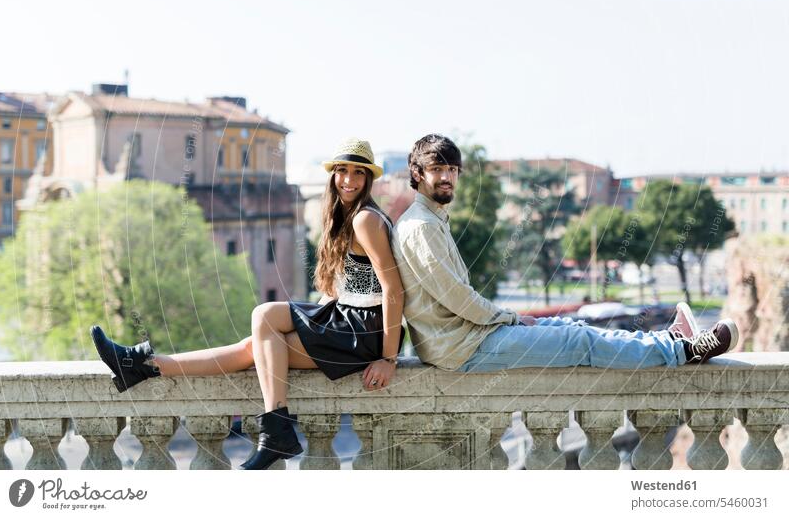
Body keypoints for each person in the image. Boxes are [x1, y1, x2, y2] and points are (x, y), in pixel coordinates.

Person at [91, 138, 404, 470]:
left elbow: (393, 289)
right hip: (348, 318)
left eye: (358, 173)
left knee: (264, 318)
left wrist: (388, 358)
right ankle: (143, 365)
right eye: (342, 171)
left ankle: (275, 430)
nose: (349, 180)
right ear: (333, 175)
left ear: (369, 179)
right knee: (254, 345)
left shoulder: (365, 220)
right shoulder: (346, 216)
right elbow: (350, 285)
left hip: (366, 329)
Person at [391, 134, 738, 374]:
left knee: (568, 325)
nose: (447, 177)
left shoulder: (431, 220)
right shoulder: (421, 226)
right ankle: (684, 351)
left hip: (466, 339)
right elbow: (458, 299)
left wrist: (510, 318)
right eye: (438, 169)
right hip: (460, 347)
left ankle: (667, 339)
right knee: (577, 339)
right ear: (418, 174)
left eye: (452, 170)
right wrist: (510, 317)